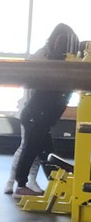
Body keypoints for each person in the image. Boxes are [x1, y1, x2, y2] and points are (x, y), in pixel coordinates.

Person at [8, 23, 79, 198]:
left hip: (40, 116)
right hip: (35, 114)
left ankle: (54, 184)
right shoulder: (50, 62)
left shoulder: (61, 65)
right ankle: (20, 186)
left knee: (46, 151)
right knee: (30, 149)